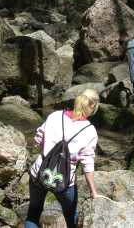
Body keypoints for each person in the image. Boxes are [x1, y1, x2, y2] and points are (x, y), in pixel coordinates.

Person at [26, 89, 101, 228]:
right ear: (92, 107)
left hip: (39, 172)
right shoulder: (90, 131)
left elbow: (37, 140)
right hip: (64, 180)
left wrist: (48, 146)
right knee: (71, 215)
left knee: (34, 212)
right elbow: (87, 163)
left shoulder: (55, 116)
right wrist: (93, 192)